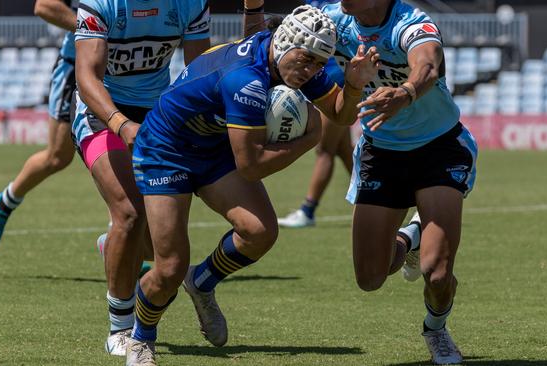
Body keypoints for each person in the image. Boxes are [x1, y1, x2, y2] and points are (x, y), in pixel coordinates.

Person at [125, 6, 380, 365]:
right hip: (167, 149)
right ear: (287, 42)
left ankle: (202, 282)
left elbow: (341, 113)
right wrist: (308, 139)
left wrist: (352, 86)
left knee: (260, 232)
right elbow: (250, 166)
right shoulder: (244, 79)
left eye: (319, 65)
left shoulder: (298, 60)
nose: (310, 72)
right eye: (306, 61)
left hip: (213, 146)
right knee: (168, 269)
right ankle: (141, 338)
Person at [324, 0, 479, 364]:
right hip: (382, 153)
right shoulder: (333, 19)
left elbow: (428, 63)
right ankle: (410, 236)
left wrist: (406, 93)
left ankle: (436, 329)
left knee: (437, 274)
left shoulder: (409, 22)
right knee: (370, 277)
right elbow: (280, 36)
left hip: (439, 147)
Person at [72, 0, 211, 356]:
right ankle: (119, 328)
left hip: (157, 116)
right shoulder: (100, 3)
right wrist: (121, 124)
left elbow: (198, 71)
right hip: (101, 114)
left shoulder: (191, 4)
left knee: (161, 241)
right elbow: (87, 78)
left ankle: (115, 245)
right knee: (129, 213)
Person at [0, 0, 78, 248]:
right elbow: (44, 6)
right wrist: (91, 29)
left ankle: (124, 253)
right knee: (57, 157)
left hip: (132, 74)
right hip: (77, 67)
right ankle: (6, 202)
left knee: (123, 161)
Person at [277, 0, 355, 229]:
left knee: (324, 149)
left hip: (337, 86)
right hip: (322, 82)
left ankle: (308, 210)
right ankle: (378, 199)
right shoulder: (313, 4)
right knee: (343, 151)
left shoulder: (345, 7)